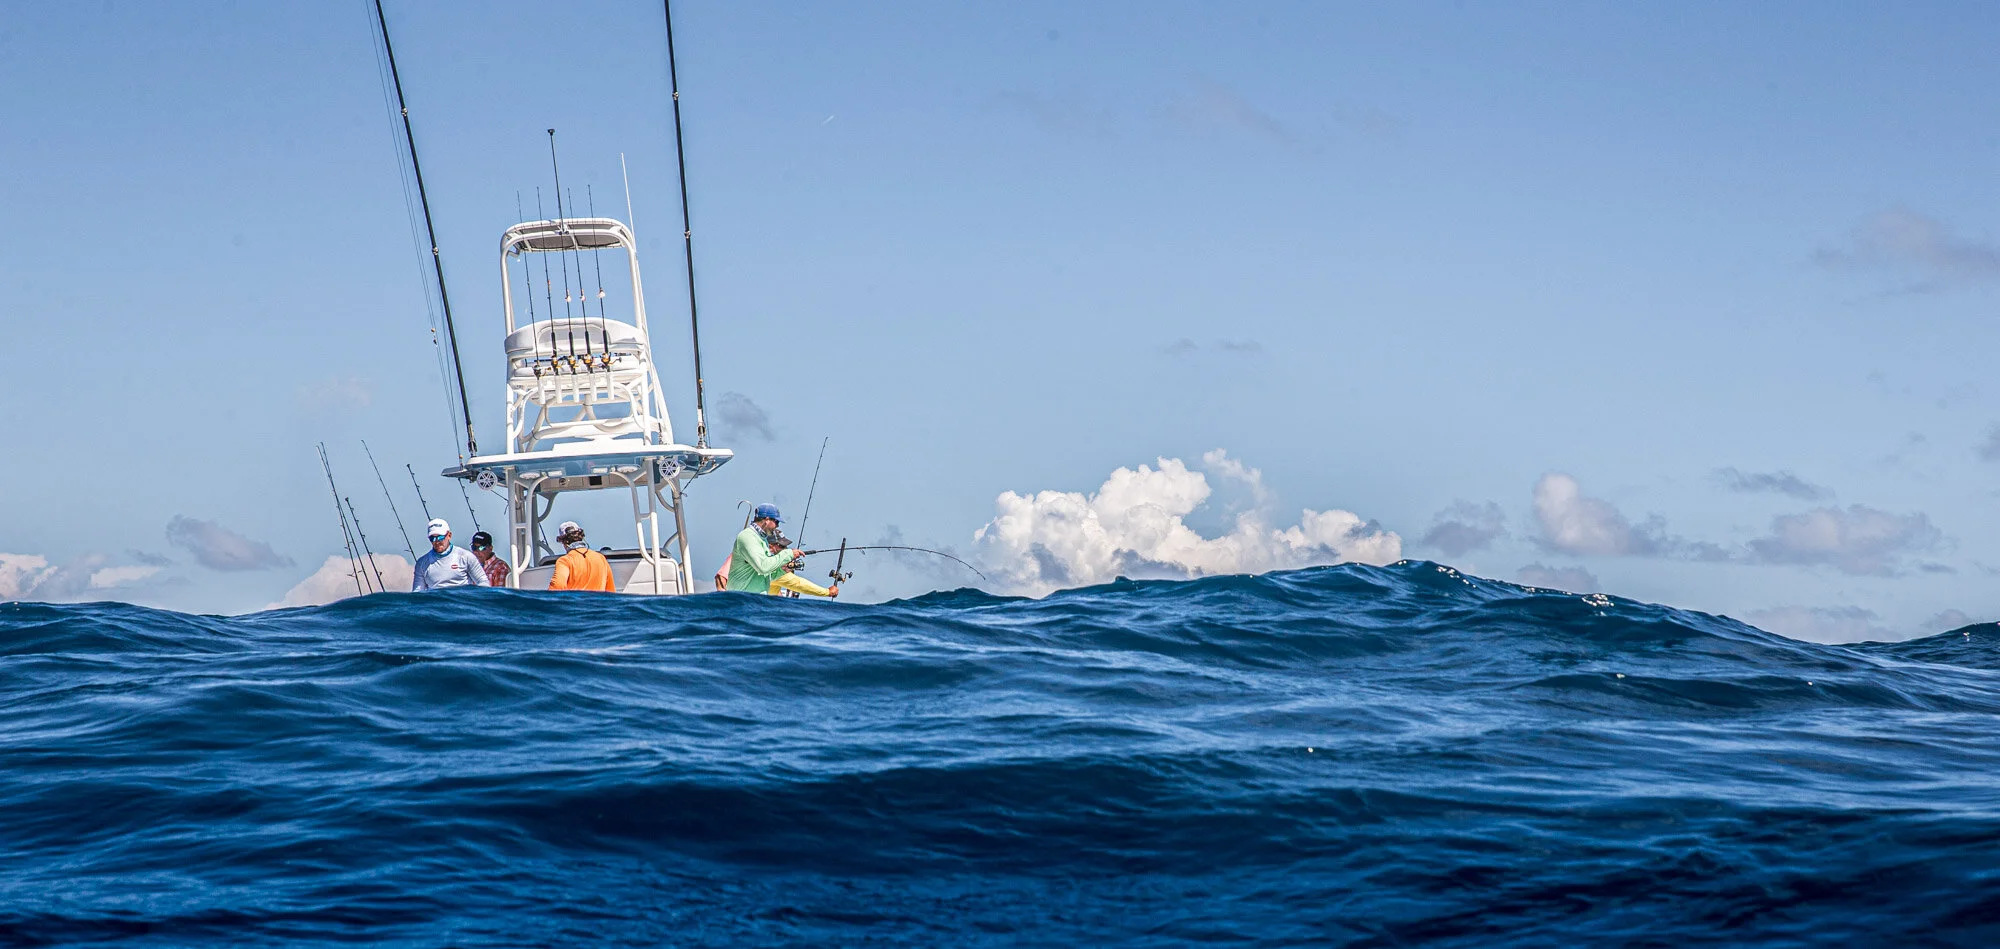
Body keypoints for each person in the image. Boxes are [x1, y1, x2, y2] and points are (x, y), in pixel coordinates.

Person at [724, 503, 805, 593]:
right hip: (742, 600)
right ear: (767, 520)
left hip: (754, 600)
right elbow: (763, 567)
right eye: (776, 522)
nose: (777, 526)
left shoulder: (762, 539)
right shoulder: (747, 537)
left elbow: (766, 573)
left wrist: (783, 569)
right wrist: (789, 554)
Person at [411, 518, 489, 591]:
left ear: (449, 535)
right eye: (432, 538)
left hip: (463, 603)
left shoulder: (466, 557)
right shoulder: (421, 563)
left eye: (440, 537)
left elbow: (483, 582)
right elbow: (417, 592)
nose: (437, 541)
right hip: (435, 603)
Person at [548, 520, 616, 592]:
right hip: (598, 603)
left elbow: (557, 586)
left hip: (576, 602)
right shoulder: (601, 558)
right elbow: (610, 592)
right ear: (582, 537)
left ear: (564, 542)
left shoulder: (565, 561)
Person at [766, 533, 839, 598]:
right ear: (770, 546)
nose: (786, 549)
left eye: (786, 546)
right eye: (782, 546)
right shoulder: (773, 568)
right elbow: (799, 584)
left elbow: (772, 589)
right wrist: (827, 592)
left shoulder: (764, 564)